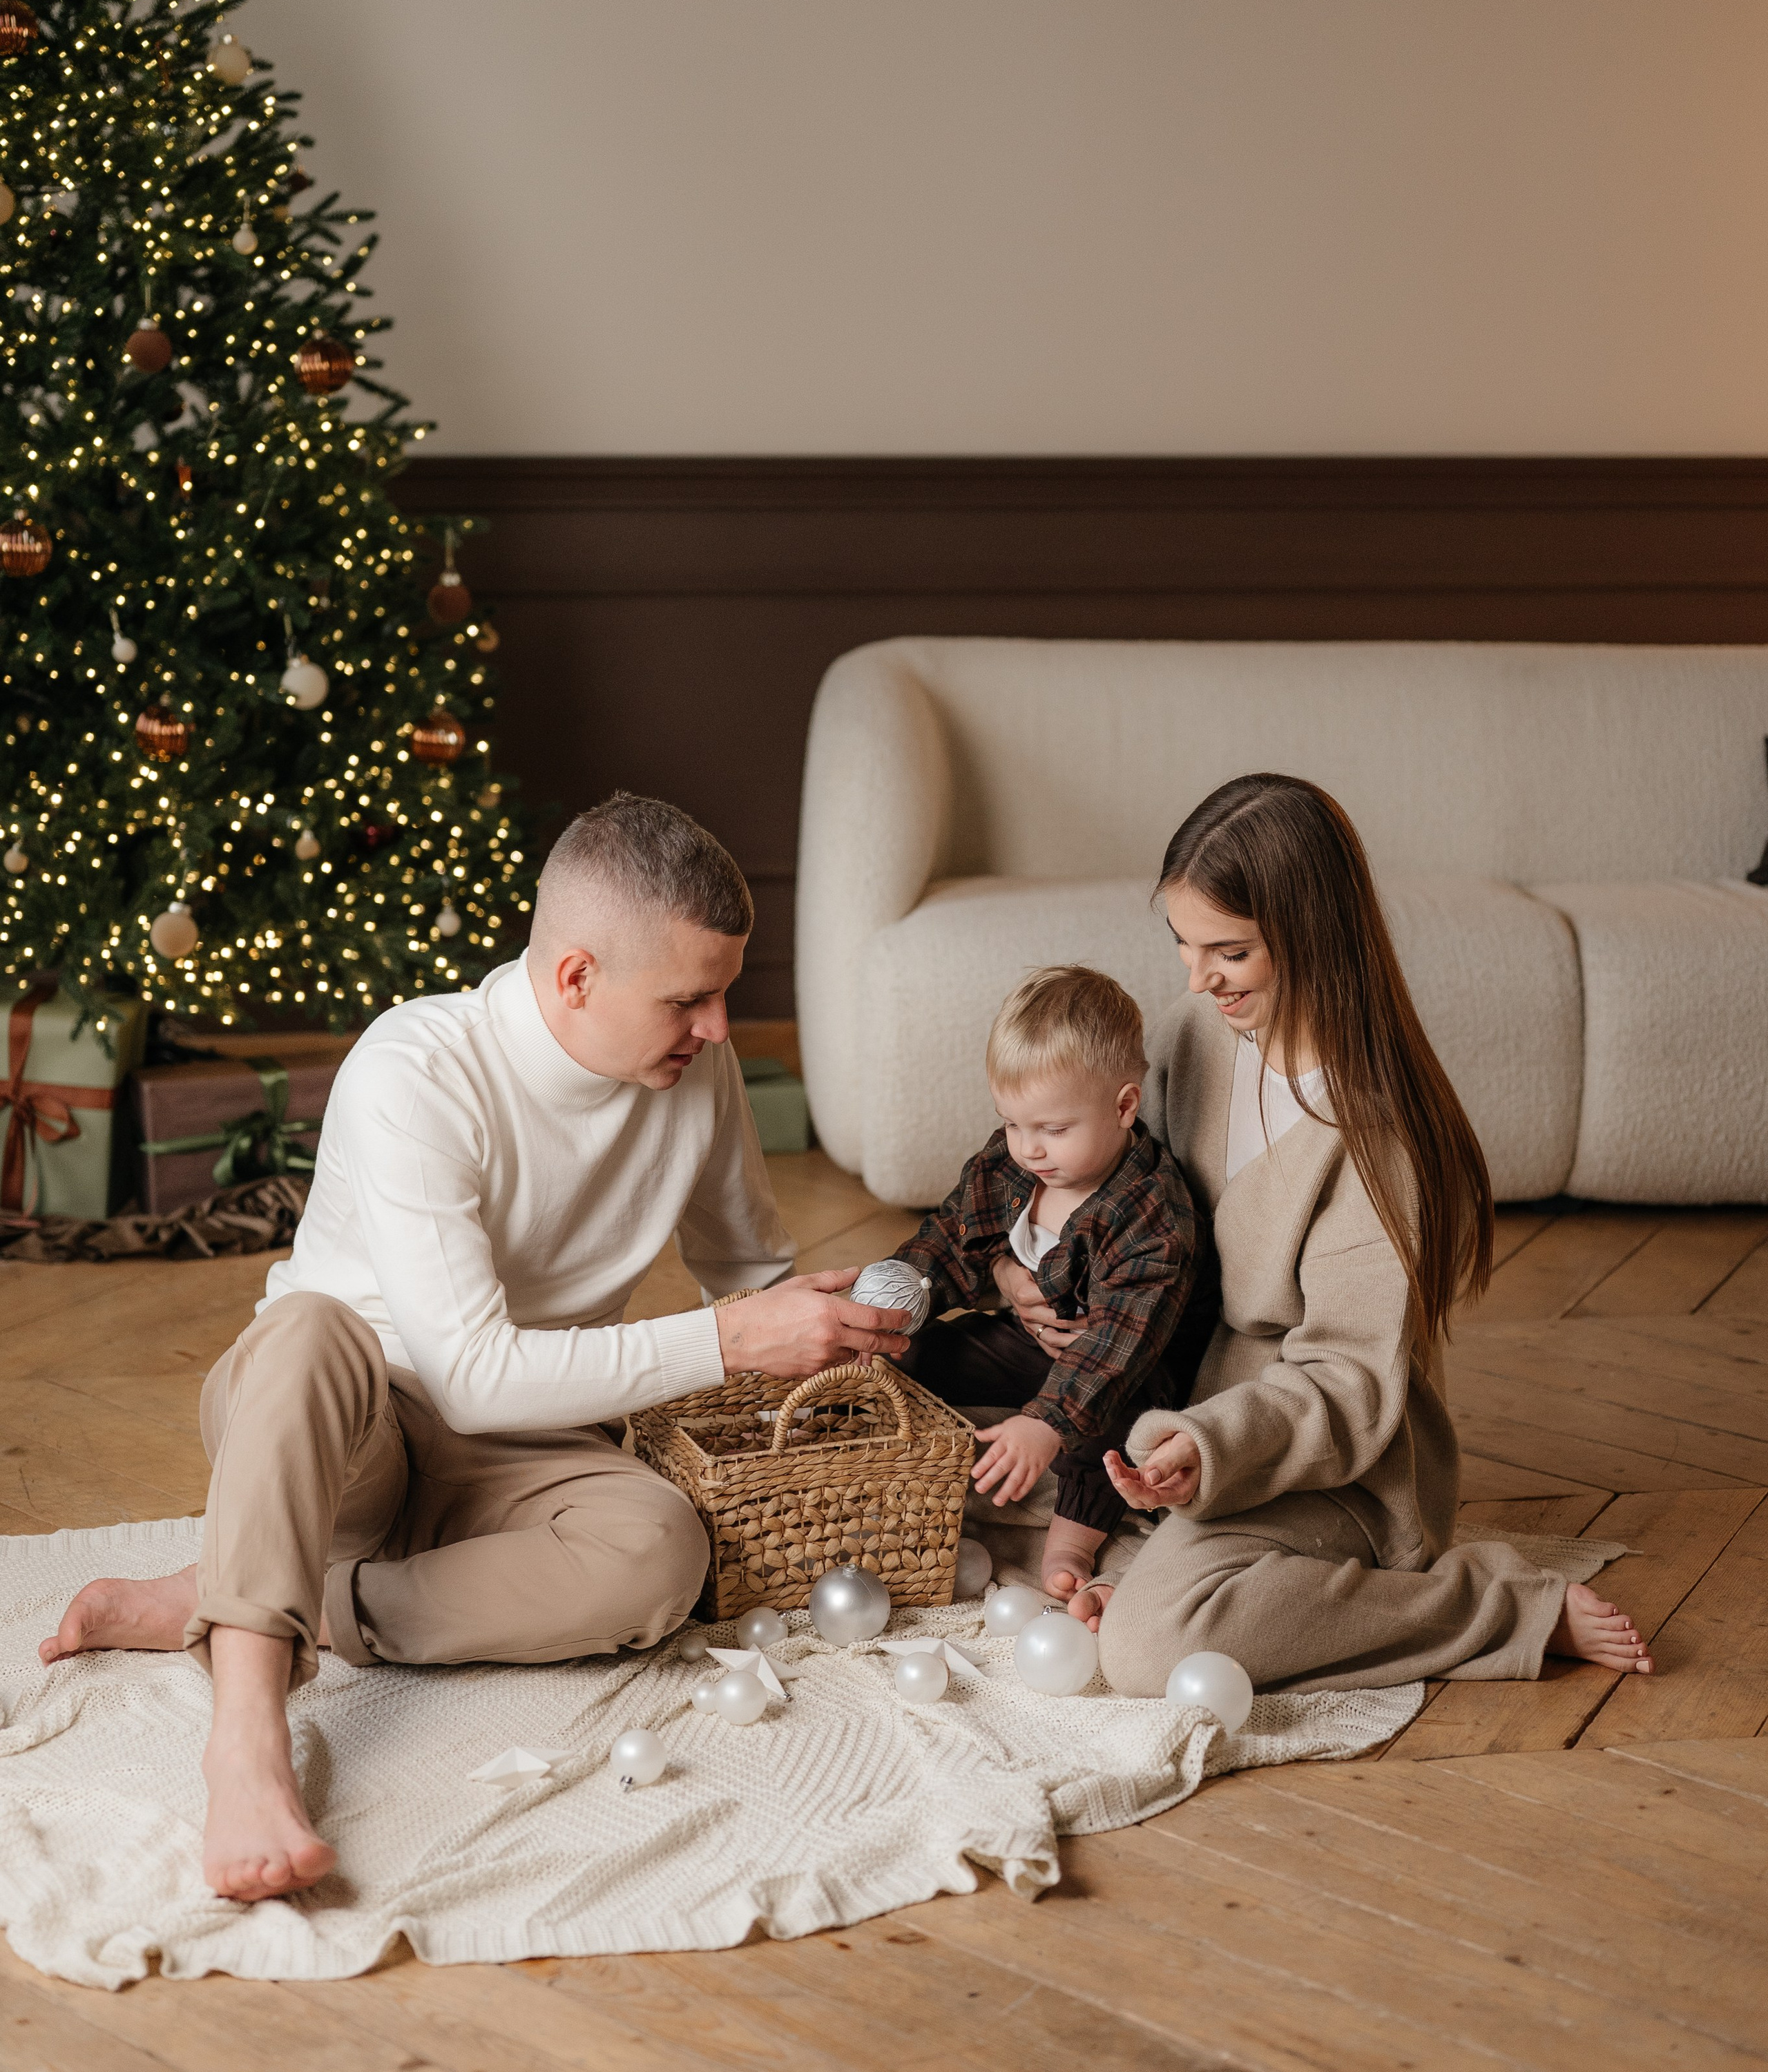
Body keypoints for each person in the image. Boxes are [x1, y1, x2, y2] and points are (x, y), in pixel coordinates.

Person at [39, 793, 911, 1902]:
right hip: (342, 1429)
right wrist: (735, 1339)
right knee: (312, 1330)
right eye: (689, 999)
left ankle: (239, 1587)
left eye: (726, 993)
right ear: (576, 976)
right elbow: (471, 1373)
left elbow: (744, 1272)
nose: (720, 1029)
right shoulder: (417, 1068)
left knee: (659, 1551)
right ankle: (248, 1740)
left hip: (527, 1445)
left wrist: (833, 1350)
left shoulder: (698, 1072)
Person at [996, 774, 1653, 1690]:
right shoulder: (1195, 1034)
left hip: (1326, 1460)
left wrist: (1211, 1447)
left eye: (1228, 951)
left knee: (1152, 1647)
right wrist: (1022, 1270)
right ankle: (1180, 1569)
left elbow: (1347, 1383)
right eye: (1183, 944)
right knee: (983, 1478)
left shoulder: (1377, 1140)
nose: (1195, 978)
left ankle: (1495, 1608)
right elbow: (1118, 1193)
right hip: (1174, 1422)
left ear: (1308, 938)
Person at [893, 964, 1212, 1604]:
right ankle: (883, 1454)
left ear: (1124, 1106)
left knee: (1112, 1427)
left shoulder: (1152, 1216)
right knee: (923, 1351)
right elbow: (955, 1238)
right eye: (1012, 1123)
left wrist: (1047, 1423)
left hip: (1120, 1368)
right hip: (1025, 1343)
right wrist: (896, 1300)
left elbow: (1117, 1344)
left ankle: (1074, 1538)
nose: (1028, 1149)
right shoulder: (1011, 1164)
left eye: (1053, 1130)